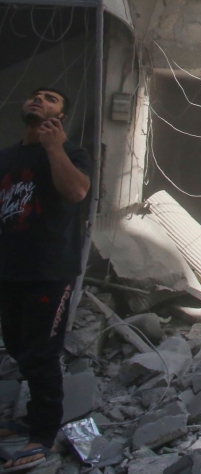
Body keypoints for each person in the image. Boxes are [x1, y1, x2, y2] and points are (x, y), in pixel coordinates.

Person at [0, 88, 92, 471]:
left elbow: (76, 191)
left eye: (50, 98)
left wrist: (53, 148)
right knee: (18, 347)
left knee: (42, 353)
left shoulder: (72, 154)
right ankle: (31, 418)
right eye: (35, 96)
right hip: (9, 269)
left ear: (62, 115)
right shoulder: (6, 157)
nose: (38, 100)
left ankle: (43, 434)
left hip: (49, 270)